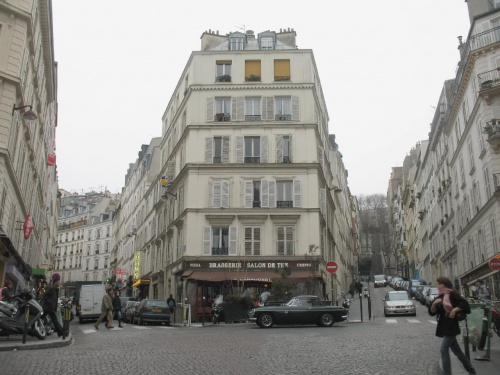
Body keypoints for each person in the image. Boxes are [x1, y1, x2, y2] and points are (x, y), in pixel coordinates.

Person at [429, 276, 476, 375]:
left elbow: (465, 304)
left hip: (451, 326)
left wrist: (454, 310)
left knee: (443, 349)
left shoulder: (452, 294)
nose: (437, 286)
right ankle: (471, 371)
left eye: (439, 284)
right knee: (458, 352)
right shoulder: (440, 297)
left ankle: (447, 373)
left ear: (444, 285)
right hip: (444, 326)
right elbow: (432, 312)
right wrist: (434, 305)